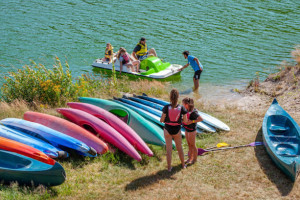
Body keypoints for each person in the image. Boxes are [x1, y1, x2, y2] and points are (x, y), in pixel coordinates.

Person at [160, 89, 188, 172]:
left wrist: (164, 120)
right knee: (179, 148)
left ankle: (169, 168)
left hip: (167, 130)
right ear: (178, 97)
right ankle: (183, 165)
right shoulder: (182, 108)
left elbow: (161, 120)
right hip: (177, 130)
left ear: (170, 97)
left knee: (168, 149)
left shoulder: (166, 107)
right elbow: (185, 121)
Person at [182, 97, 203, 165]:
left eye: (183, 104)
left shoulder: (193, 112)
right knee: (189, 144)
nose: (182, 105)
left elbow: (201, 119)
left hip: (192, 130)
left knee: (193, 145)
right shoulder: (186, 111)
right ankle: (190, 158)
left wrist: (192, 121)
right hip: (187, 129)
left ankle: (194, 159)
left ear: (187, 104)